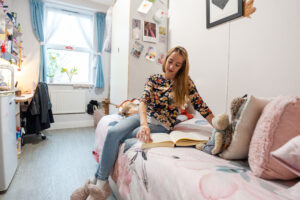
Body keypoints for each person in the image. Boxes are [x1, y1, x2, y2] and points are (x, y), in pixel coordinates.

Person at [70, 46, 214, 200]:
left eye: (177, 65)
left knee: (121, 137)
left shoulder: (185, 83)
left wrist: (218, 125)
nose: (172, 67)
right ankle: (100, 184)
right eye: (170, 61)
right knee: (113, 133)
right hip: (142, 117)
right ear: (166, 59)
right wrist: (144, 124)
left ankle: (95, 183)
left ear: (182, 67)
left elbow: (201, 106)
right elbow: (143, 103)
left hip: (161, 125)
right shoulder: (154, 79)